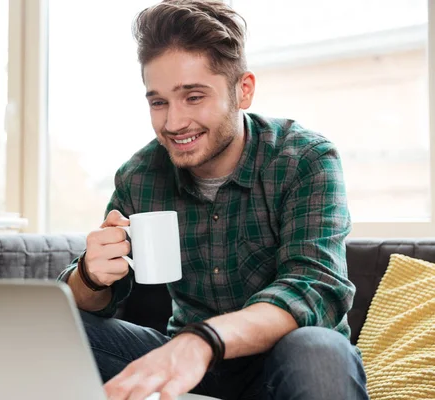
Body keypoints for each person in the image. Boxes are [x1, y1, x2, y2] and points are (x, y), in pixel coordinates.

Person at [58, 1, 369, 399]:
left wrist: (201, 341)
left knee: (319, 350)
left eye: (193, 97)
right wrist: (89, 275)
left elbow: (313, 287)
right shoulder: (140, 175)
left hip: (282, 365)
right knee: (52, 329)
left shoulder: (304, 159)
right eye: (158, 102)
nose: (173, 123)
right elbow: (91, 303)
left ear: (244, 90)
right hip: (188, 364)